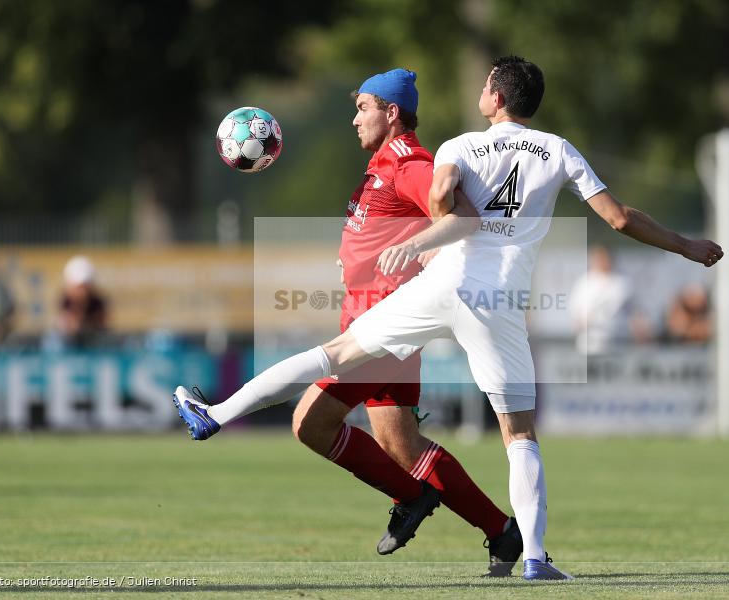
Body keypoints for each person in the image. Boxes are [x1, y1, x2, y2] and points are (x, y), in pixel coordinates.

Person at [173, 56, 723, 581]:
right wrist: (687, 246)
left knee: (335, 357)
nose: (478, 90)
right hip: (498, 300)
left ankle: (220, 414)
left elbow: (446, 203)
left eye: (484, 84)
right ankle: (533, 557)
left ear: (496, 96)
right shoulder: (557, 149)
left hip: (444, 285)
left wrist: (422, 243)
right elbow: (620, 218)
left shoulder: (458, 146)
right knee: (519, 433)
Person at [185, 69, 522, 576]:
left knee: (311, 423)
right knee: (401, 445)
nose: (354, 117)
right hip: (374, 314)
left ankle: (411, 497)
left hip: (383, 322)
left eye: (363, 106)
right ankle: (501, 532)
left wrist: (421, 256)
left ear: (391, 112)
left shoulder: (409, 161)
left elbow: (460, 219)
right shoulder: (383, 163)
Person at [568, 245, 650, 354]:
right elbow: (575, 314)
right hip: (590, 346)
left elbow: (636, 313)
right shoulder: (583, 283)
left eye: (604, 257)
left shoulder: (623, 283)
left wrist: (641, 335)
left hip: (617, 344)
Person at [47, 255, 109, 350]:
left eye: (84, 286)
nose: (82, 291)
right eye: (79, 287)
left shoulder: (97, 304)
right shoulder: (65, 302)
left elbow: (101, 325)